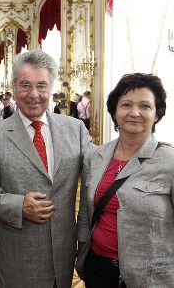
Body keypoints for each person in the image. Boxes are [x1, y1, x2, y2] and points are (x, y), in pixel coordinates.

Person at [0, 50, 92, 288]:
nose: (34, 94)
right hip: (17, 256)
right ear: (14, 87)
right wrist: (18, 206)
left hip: (63, 253)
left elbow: (100, 165)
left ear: (51, 89)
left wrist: (138, 148)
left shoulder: (75, 129)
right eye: (25, 85)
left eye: (42, 86)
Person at [77, 73, 174, 288]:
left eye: (145, 106)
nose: (134, 113)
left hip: (149, 275)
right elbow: (86, 212)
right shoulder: (96, 156)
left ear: (157, 114)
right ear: (114, 111)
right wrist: (82, 254)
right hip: (97, 267)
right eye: (126, 105)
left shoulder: (169, 161)